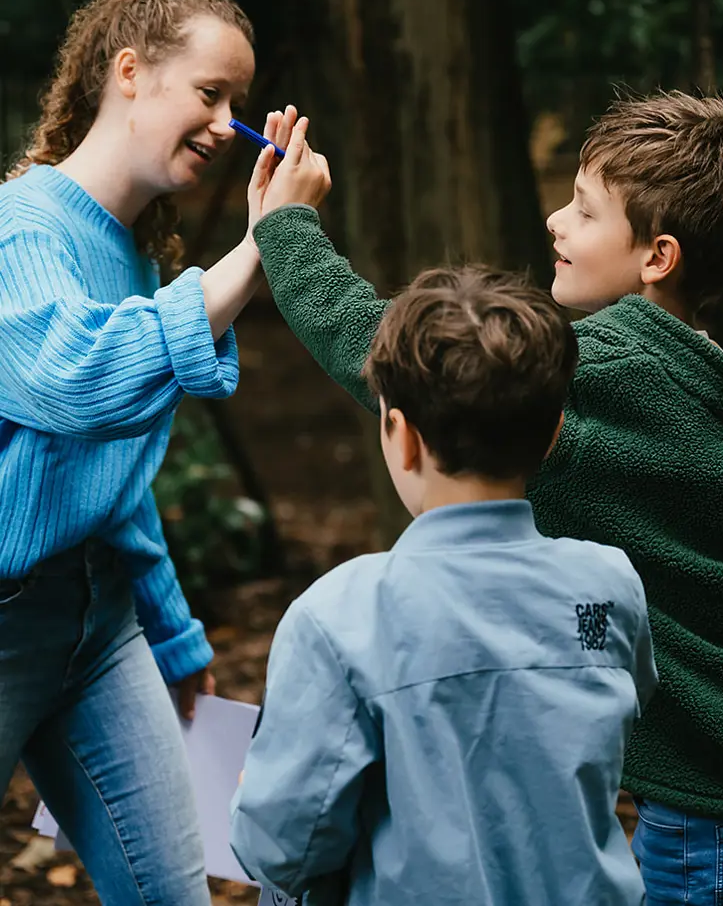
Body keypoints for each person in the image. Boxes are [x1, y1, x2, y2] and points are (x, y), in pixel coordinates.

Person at [248, 90, 723, 904]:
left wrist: (287, 229)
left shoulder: (610, 371)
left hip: (706, 822)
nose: (555, 220)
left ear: (657, 257)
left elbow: (391, 357)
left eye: (584, 212)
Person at [0, 0, 326, 906]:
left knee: (171, 893)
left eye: (239, 102)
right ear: (129, 73)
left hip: (102, 631)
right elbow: (76, 384)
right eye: (211, 92)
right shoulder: (22, 230)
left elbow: (112, 481)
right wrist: (269, 241)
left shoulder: (140, 251)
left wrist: (174, 635)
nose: (230, 123)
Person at [230, 265, 656, 905]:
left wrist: (249, 792)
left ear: (401, 437)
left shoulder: (341, 616)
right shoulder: (609, 583)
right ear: (552, 436)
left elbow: (282, 849)